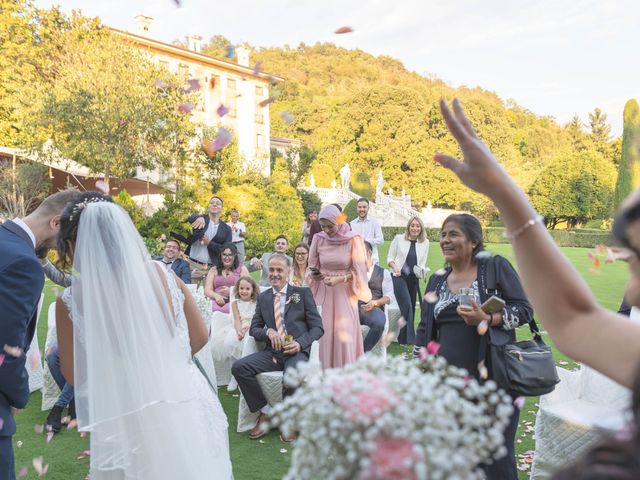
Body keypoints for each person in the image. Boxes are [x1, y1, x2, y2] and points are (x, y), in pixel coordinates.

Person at [433, 98, 640, 478]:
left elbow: (547, 313)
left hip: (493, 376)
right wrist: (499, 189)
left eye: (636, 253)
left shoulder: (494, 266)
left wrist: (501, 189)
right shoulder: (436, 280)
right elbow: (575, 316)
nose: (626, 263)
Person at [55, 192, 232, 479]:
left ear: (75, 243)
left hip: (124, 411)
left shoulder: (71, 301)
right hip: (184, 398)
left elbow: (74, 375)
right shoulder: (162, 273)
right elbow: (200, 336)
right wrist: (166, 365)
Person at [415, 213, 532, 479]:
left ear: (474, 241)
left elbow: (524, 310)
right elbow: (424, 330)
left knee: (495, 458)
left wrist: (488, 318)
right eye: (443, 234)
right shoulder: (437, 279)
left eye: (453, 234)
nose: (445, 240)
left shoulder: (494, 268)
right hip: (447, 387)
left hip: (494, 382)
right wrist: (417, 368)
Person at [0, 189, 77, 479]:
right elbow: (7, 346)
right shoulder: (23, 263)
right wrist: (18, 396)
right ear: (56, 222)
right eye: (67, 242)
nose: (65, 251)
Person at [231, 254, 323, 442]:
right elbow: (254, 329)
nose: (274, 274)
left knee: (291, 376)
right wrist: (269, 332)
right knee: (239, 367)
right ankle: (266, 412)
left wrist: (300, 343)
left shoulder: (303, 294)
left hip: (296, 351)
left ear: (288, 272)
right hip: (273, 353)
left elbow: (318, 328)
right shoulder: (263, 297)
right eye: (271, 270)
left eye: (279, 270)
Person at [307, 204, 371, 369]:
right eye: (323, 226)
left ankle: (346, 374)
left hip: (345, 293)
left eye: (330, 226)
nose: (327, 230)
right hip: (324, 292)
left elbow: (361, 271)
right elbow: (311, 266)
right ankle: (323, 374)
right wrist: (315, 275)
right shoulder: (318, 239)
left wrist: (341, 279)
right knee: (325, 333)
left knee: (345, 334)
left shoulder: (353, 239)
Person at [39, 258, 75, 433]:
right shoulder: (81, 280)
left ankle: (58, 408)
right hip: (74, 335)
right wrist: (44, 260)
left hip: (98, 340)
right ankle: (74, 401)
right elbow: (59, 277)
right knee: (52, 356)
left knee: (79, 364)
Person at [387, 216, 430, 344]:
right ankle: (408, 339)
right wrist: (395, 268)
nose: (415, 228)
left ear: (421, 228)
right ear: (408, 227)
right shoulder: (399, 239)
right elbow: (390, 257)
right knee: (408, 306)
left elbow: (422, 263)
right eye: (412, 225)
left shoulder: (425, 242)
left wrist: (421, 271)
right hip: (398, 276)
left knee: (410, 305)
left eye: (417, 226)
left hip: (413, 278)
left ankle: (405, 338)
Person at [172, 196, 232, 282]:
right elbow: (188, 218)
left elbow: (227, 250)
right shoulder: (200, 219)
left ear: (221, 208)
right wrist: (199, 217)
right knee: (189, 293)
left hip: (212, 269)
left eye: (218, 203)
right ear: (208, 206)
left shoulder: (226, 229)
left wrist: (209, 243)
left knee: (209, 295)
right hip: (192, 266)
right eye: (212, 203)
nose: (214, 204)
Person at [217, 276, 259, 393]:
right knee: (231, 341)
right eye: (241, 288)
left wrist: (247, 329)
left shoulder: (256, 302)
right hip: (238, 327)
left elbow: (257, 319)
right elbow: (236, 319)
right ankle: (234, 376)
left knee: (247, 343)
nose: (244, 291)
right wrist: (239, 331)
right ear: (237, 289)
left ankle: (244, 376)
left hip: (252, 327)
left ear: (252, 290)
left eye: (247, 289)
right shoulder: (235, 303)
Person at [359, 241, 395, 352]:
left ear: (369, 252)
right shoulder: (352, 271)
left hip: (373, 307)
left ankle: (363, 352)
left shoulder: (383, 272)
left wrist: (375, 303)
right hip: (354, 306)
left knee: (379, 323)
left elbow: (389, 297)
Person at [204, 242, 249, 315]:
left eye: (230, 255)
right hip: (216, 300)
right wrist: (216, 296)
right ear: (220, 255)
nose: (227, 258)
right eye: (224, 254)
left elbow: (248, 288)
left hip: (234, 300)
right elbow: (207, 290)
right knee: (209, 309)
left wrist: (231, 291)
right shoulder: (213, 270)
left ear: (235, 255)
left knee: (227, 309)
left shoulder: (242, 269)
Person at [349, 197, 384, 264]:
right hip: (356, 261)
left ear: (368, 208)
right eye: (359, 207)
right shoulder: (351, 224)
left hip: (373, 260)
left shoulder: (375, 222)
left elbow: (381, 240)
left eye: (364, 207)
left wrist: (365, 240)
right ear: (357, 208)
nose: (362, 209)